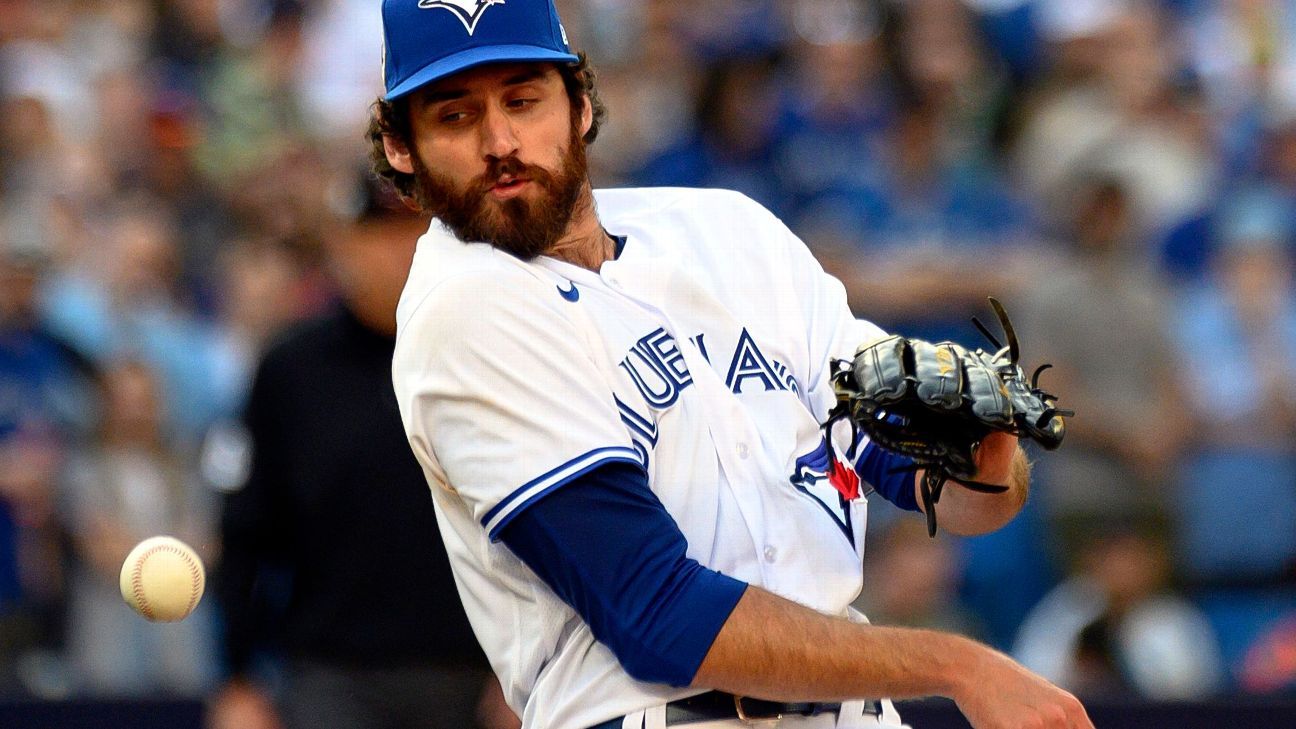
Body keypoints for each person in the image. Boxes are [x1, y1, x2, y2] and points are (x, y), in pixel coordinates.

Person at [373, 2, 1092, 728]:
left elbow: (945, 492)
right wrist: (958, 665)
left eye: (523, 101)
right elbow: (660, 616)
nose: (501, 141)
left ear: (581, 106)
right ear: (402, 147)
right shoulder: (464, 309)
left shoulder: (727, 231)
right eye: (455, 116)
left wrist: (984, 450)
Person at [209, 181, 515, 729]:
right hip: (330, 678)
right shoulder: (290, 370)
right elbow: (244, 533)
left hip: (476, 677)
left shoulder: (490, 356)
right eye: (378, 233)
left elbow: (539, 524)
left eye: (415, 230)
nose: (400, 250)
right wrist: (237, 678)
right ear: (341, 246)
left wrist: (529, 671)